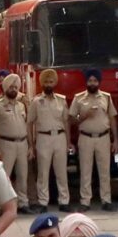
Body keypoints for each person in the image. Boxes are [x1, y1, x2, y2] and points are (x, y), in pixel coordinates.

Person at [67, 74, 117, 209]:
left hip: (103, 137)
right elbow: (71, 120)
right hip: (85, 137)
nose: (92, 83)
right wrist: (84, 115)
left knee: (104, 171)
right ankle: (85, 201)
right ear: (86, 82)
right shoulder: (79, 98)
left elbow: (112, 118)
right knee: (85, 170)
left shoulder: (106, 97)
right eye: (90, 81)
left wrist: (116, 140)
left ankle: (106, 200)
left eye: (95, 81)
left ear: (99, 82)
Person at [31, 69, 72, 210]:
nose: (48, 85)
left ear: (54, 83)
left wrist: (69, 141)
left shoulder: (61, 100)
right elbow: (29, 123)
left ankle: (64, 201)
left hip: (60, 137)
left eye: (51, 82)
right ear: (42, 83)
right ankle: (43, 202)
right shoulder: (36, 101)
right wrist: (31, 144)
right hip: (43, 137)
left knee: (61, 171)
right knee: (43, 172)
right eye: (46, 82)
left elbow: (66, 122)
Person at [0, 73, 35, 201]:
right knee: (4, 176)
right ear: (5, 88)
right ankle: (1, 203)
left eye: (16, 87)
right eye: (11, 87)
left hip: (22, 144)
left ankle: (22, 202)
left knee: (22, 175)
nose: (14, 90)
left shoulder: (21, 106)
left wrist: (30, 146)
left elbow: (28, 125)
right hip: (6, 143)